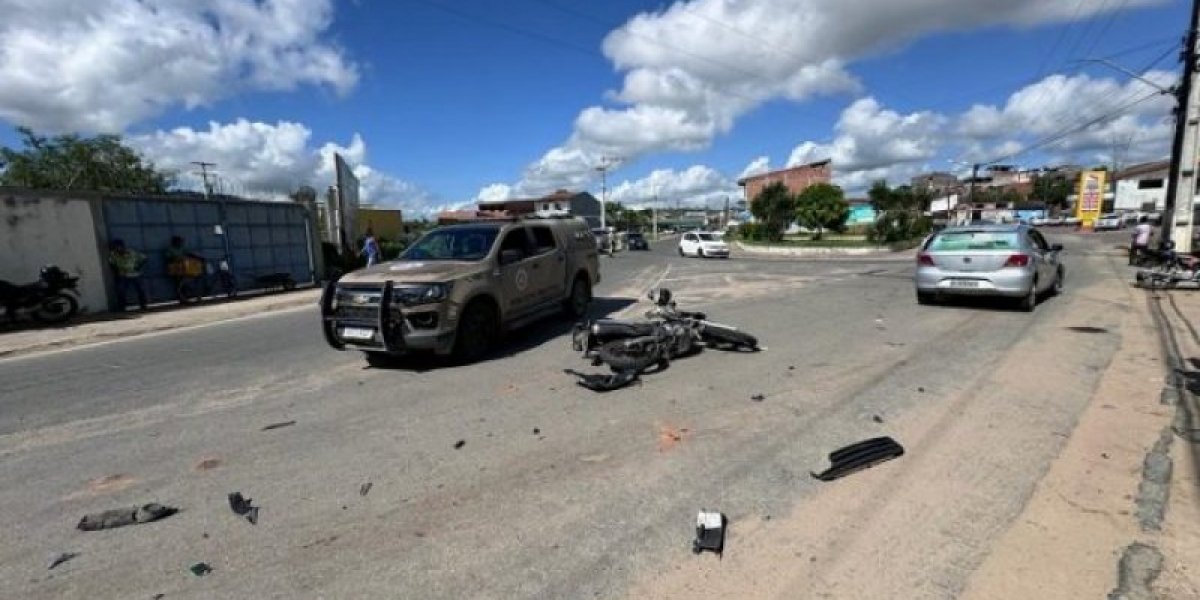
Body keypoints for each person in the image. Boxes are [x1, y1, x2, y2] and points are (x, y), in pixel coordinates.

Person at [108, 239, 148, 310]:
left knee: (141, 290)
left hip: (135, 274)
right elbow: (112, 263)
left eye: (118, 247)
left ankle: (143, 305)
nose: (117, 249)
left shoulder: (132, 252)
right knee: (121, 290)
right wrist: (116, 271)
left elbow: (144, 258)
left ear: (122, 246)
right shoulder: (114, 255)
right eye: (115, 247)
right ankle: (122, 307)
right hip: (123, 275)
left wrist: (138, 266)